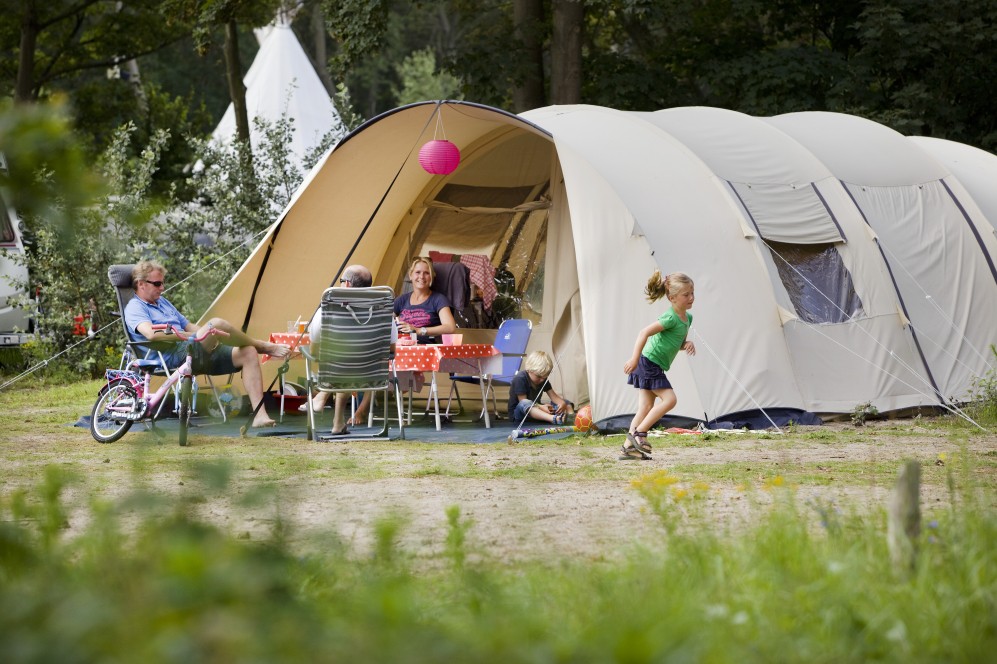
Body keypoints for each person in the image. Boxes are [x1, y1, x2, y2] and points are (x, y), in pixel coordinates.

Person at [124, 260, 290, 428]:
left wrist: (206, 334)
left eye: (163, 283)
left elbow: (191, 327)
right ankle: (263, 346)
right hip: (170, 357)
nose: (162, 288)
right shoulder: (135, 307)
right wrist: (201, 334)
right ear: (141, 284)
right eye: (158, 284)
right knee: (216, 323)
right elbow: (151, 334)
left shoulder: (163, 302)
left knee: (247, 351)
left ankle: (260, 416)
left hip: (192, 350)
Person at [302, 264, 391, 435]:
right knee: (349, 358)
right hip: (372, 376)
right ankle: (338, 422)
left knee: (342, 358)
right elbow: (391, 347)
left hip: (336, 373)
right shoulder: (383, 309)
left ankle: (321, 396)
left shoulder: (328, 310)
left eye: (341, 281)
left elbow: (313, 351)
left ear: (347, 284)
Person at [621, 271, 696, 460]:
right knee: (670, 400)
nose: (691, 297)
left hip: (653, 364)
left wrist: (685, 345)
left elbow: (674, 343)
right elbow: (643, 333)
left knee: (645, 407)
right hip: (648, 363)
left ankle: (628, 448)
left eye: (692, 293)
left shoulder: (688, 319)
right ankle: (640, 433)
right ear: (672, 298)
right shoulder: (670, 318)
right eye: (686, 294)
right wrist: (634, 359)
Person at [393, 257, 456, 343]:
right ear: (410, 275)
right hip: (402, 347)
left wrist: (419, 330)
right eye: (417, 272)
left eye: (426, 273)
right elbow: (384, 322)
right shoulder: (401, 300)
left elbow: (450, 327)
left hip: (427, 349)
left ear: (431, 277)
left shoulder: (439, 299)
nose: (421, 277)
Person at [508, 350, 574, 425]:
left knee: (566, 402)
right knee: (525, 403)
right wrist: (541, 407)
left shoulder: (543, 380)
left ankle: (571, 418)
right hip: (519, 415)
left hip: (536, 411)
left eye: (545, 377)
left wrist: (562, 403)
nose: (542, 380)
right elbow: (523, 401)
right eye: (539, 376)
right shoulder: (520, 378)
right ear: (529, 370)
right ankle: (553, 419)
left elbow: (554, 397)